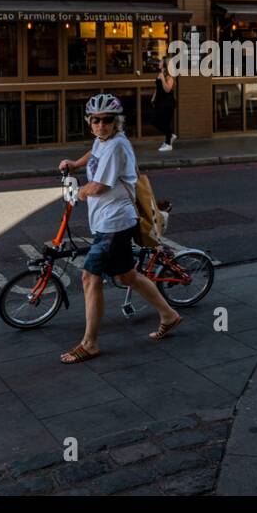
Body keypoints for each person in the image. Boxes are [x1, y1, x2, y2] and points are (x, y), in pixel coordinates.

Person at [56, 93, 181, 364]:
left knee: (90, 278)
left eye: (107, 120)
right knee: (127, 276)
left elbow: (99, 186)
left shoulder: (116, 146)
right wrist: (75, 164)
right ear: (89, 122)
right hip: (109, 222)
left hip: (114, 224)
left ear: (117, 122)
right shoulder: (104, 141)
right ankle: (169, 316)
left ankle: (90, 343)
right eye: (96, 120)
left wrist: (76, 193)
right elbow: (94, 153)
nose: (101, 125)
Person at [150, 56, 177, 152]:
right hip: (159, 102)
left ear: (165, 64)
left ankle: (168, 143)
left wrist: (162, 79)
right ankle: (170, 135)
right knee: (154, 120)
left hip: (167, 103)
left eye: (161, 61)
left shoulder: (169, 77)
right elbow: (158, 88)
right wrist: (153, 98)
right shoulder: (160, 74)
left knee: (165, 122)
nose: (159, 63)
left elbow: (167, 89)